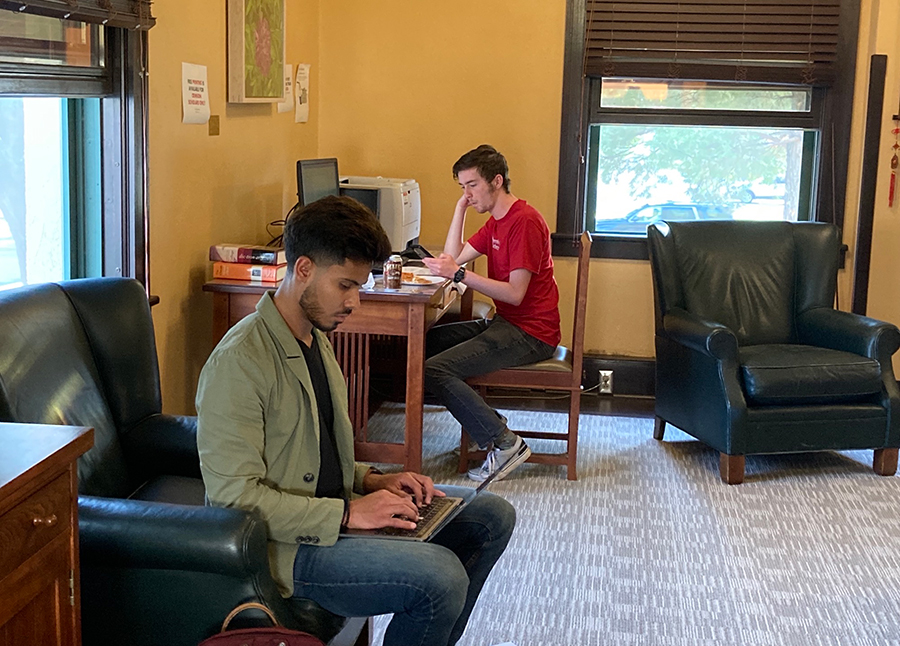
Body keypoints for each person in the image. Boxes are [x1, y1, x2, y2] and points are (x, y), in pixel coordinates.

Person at [196, 195, 516, 646]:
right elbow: (233, 499)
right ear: (302, 268)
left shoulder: (314, 334)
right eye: (345, 285)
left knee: (491, 515)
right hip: (288, 549)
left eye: (358, 286)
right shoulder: (239, 362)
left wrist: (372, 481)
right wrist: (348, 512)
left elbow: (316, 452)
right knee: (439, 579)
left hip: (331, 507)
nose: (355, 302)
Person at [422, 145, 560, 482]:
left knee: (435, 370)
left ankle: (505, 443)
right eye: (462, 188)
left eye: (471, 186)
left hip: (532, 333)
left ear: (496, 181)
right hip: (507, 324)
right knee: (429, 341)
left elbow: (515, 294)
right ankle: (487, 420)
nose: (467, 195)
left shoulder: (523, 222)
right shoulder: (496, 222)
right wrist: (460, 210)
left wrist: (459, 275)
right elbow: (453, 258)